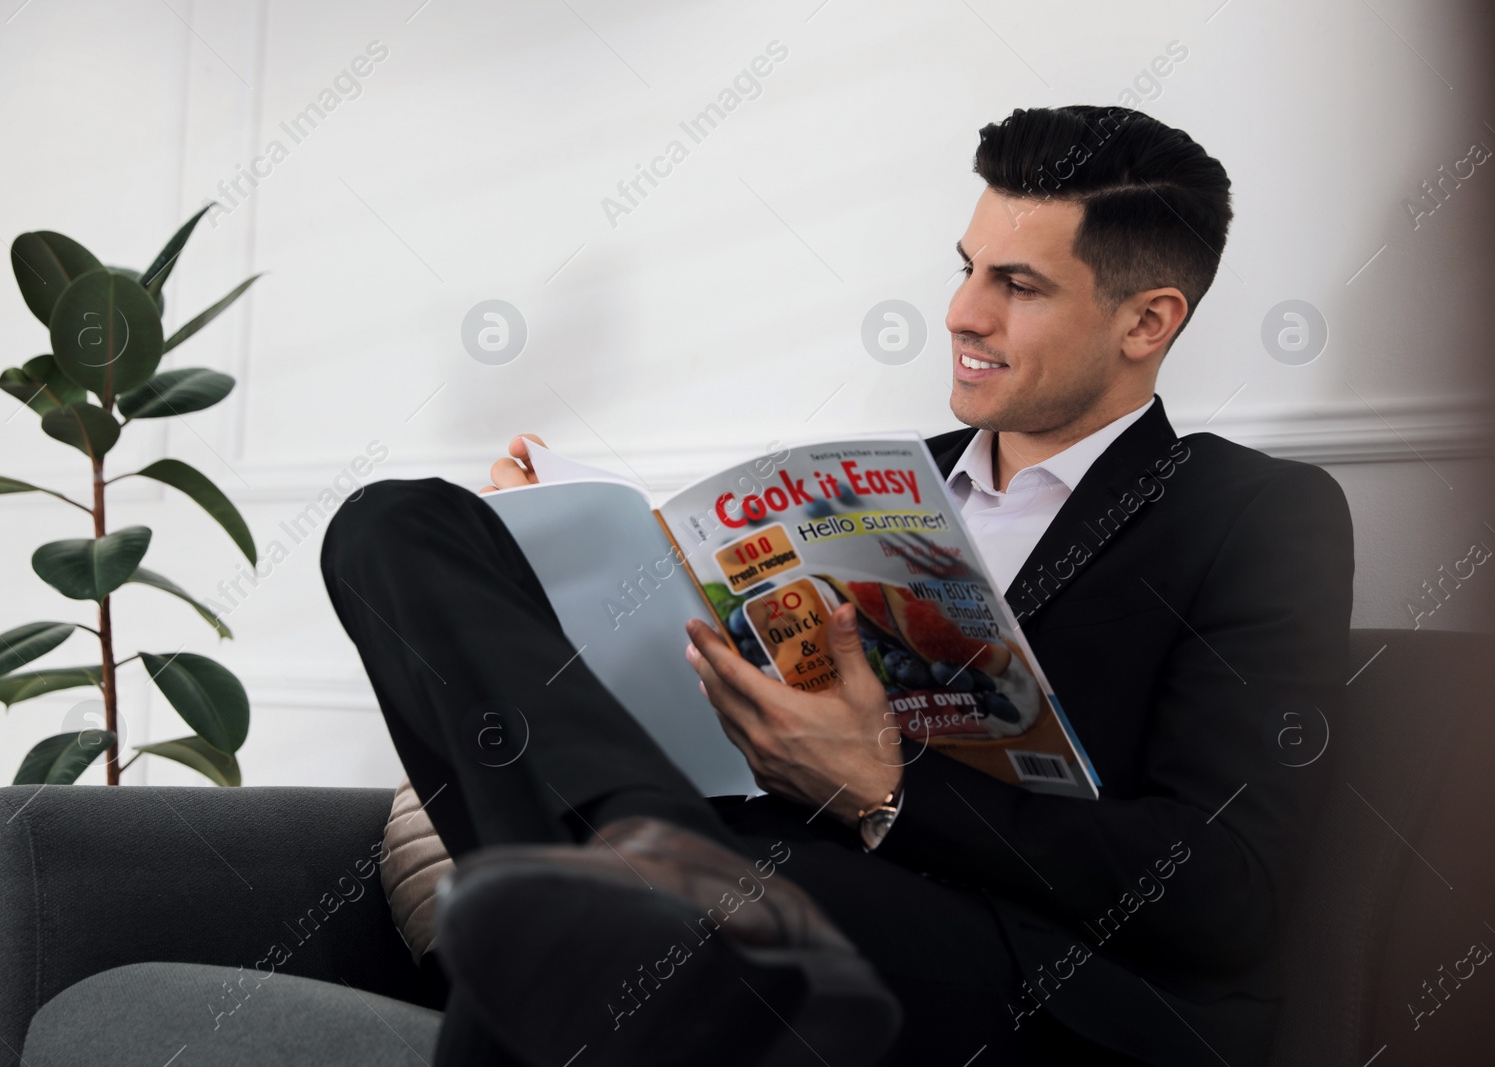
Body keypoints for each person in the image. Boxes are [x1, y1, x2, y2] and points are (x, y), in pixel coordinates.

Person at [320, 105, 1354, 1066]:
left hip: (1041, 973)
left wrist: (888, 791)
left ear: (1146, 321)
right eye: (965, 269)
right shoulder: (863, 482)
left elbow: (1225, 892)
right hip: (751, 867)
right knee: (393, 520)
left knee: (629, 915)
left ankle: (617, 875)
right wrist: (550, 559)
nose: (961, 313)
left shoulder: (1247, 511)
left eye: (1019, 286)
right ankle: (626, 858)